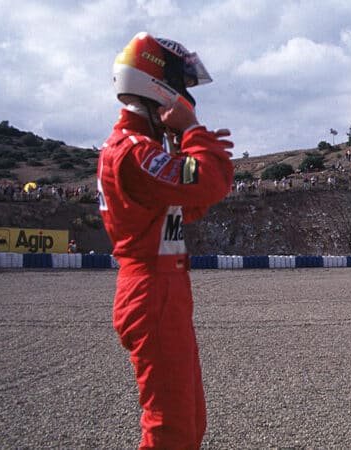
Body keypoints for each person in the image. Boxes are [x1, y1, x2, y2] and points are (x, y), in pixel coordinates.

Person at [97, 32, 234, 449]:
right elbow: (211, 183)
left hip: (163, 289)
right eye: (181, 90)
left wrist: (193, 146)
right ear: (159, 86)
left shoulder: (142, 149)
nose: (186, 101)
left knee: (189, 419)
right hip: (152, 289)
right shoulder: (134, 152)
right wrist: (194, 134)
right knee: (169, 427)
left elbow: (189, 205)